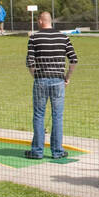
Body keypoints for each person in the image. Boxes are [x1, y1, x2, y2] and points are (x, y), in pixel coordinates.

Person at [24, 10, 78, 160]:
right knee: (57, 115)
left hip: (41, 79)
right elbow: (73, 59)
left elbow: (30, 62)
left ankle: (37, 151)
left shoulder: (34, 38)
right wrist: (67, 77)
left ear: (41, 21)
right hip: (58, 80)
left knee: (39, 115)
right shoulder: (63, 37)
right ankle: (57, 151)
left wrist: (36, 75)